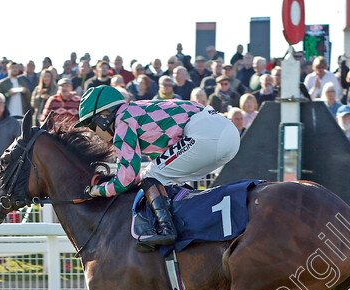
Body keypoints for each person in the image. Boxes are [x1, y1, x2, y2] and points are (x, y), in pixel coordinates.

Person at [74, 85, 240, 250]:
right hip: (228, 133)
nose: (93, 133)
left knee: (150, 176)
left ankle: (166, 230)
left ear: (104, 116)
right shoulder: (137, 112)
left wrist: (96, 190)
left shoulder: (122, 119)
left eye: (91, 125)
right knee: (162, 175)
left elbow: (127, 179)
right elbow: (136, 174)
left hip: (208, 134)